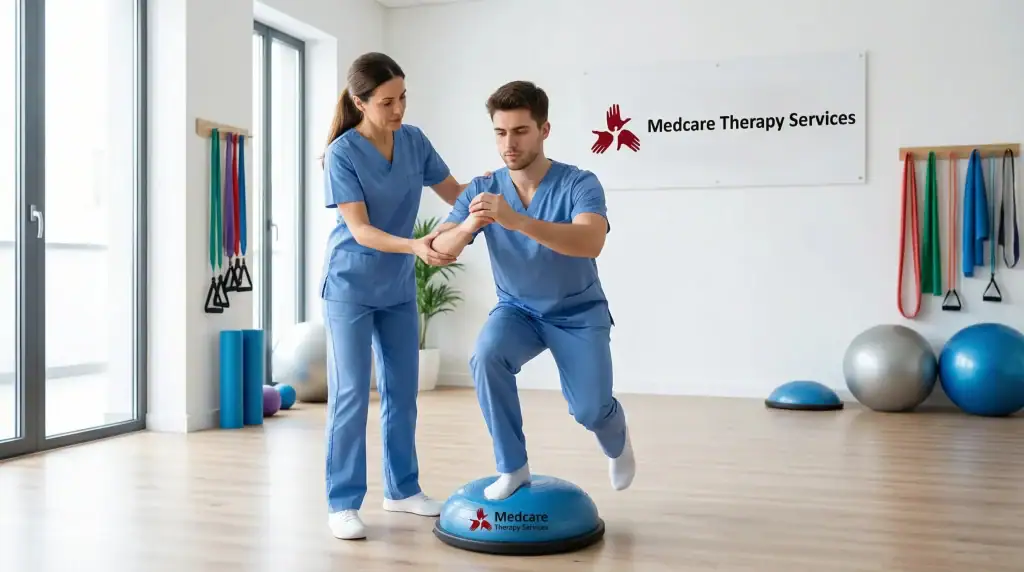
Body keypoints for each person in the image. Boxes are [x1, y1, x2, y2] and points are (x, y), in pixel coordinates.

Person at [430, 80, 636, 501]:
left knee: (590, 410)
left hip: (577, 313)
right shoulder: (481, 190)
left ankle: (615, 437)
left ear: (544, 130)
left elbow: (590, 242)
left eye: (520, 131)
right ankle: (513, 466)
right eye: (500, 132)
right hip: (518, 311)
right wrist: (470, 224)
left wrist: (515, 220)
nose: (509, 143)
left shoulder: (580, 183)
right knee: (486, 355)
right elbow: (437, 249)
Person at [319, 52, 475, 540]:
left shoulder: (414, 142)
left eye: (403, 97)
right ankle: (342, 502)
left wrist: (503, 199)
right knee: (350, 395)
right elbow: (361, 230)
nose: (399, 109)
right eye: (387, 101)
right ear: (360, 102)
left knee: (402, 392)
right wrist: (415, 245)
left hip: (397, 289)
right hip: (350, 285)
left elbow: (456, 193)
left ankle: (402, 489)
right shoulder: (343, 153)